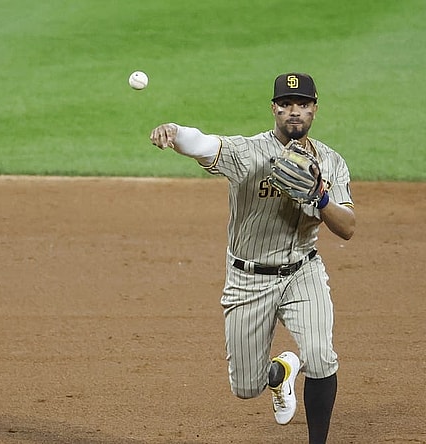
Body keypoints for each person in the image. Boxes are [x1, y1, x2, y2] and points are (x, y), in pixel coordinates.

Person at [149, 72, 355, 443]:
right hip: (249, 279)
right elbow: (205, 144)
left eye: (303, 104)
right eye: (287, 104)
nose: (295, 112)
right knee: (246, 388)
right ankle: (281, 373)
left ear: (314, 109)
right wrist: (175, 132)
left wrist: (321, 197)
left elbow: (348, 227)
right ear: (274, 109)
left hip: (302, 272)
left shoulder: (331, 162)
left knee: (322, 358)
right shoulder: (248, 153)